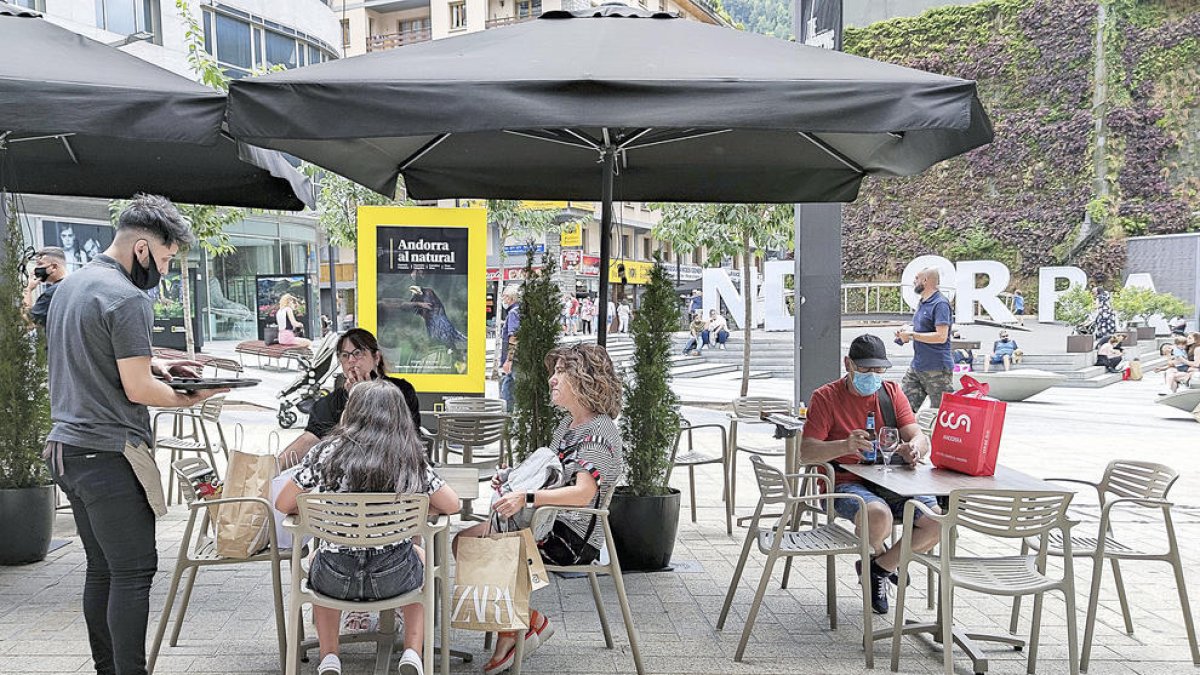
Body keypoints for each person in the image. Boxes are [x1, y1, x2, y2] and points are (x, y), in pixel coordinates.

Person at [44, 194, 227, 675]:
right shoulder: (126, 297)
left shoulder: (73, 286)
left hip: (66, 448)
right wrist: (191, 395)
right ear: (142, 248)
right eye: (166, 260)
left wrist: (163, 365)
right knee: (133, 572)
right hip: (108, 454)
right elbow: (137, 387)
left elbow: (99, 358)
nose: (164, 272)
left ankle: (108, 669)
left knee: (102, 568)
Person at [456, 343, 625, 675]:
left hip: (570, 540)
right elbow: (550, 475)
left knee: (480, 545)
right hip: (547, 525)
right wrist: (513, 480)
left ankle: (514, 631)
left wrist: (526, 498)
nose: (552, 379)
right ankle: (524, 622)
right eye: (555, 371)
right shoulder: (569, 425)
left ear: (585, 379)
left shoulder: (599, 431)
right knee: (466, 542)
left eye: (561, 371)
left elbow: (581, 493)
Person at [275, 380, 460, 675]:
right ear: (398, 415)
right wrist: (417, 505)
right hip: (394, 576)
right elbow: (452, 504)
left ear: (351, 412)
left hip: (335, 575)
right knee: (422, 559)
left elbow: (284, 503)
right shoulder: (408, 457)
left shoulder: (325, 453)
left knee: (317, 559)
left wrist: (320, 503)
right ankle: (413, 651)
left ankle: (330, 657)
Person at [799, 335, 938, 615]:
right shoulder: (825, 397)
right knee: (878, 516)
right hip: (844, 482)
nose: (872, 376)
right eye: (865, 370)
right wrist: (844, 446)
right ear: (848, 364)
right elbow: (807, 453)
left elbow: (919, 437)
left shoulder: (891, 393)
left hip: (892, 479)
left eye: (878, 370)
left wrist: (915, 449)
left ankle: (880, 567)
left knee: (938, 522)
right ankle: (880, 556)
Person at [278, 328, 421, 469]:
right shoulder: (329, 404)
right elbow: (309, 440)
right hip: (345, 479)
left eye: (358, 353)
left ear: (376, 357)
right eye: (345, 355)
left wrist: (362, 397)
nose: (351, 360)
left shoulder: (401, 391)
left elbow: (403, 439)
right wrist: (274, 467)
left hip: (395, 473)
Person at [895, 268, 954, 411]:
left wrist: (912, 335)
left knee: (940, 414)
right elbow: (922, 328)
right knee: (902, 409)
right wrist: (906, 332)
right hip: (917, 366)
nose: (914, 281)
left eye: (916, 278)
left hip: (937, 369)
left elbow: (941, 336)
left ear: (925, 280)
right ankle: (903, 432)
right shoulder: (922, 302)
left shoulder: (940, 304)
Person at [23, 246, 69, 328]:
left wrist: (28, 289)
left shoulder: (53, 293)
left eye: (40, 264)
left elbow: (28, 322)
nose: (35, 270)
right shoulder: (74, 286)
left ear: (54, 267)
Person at [498, 285, 521, 411]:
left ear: (510, 298)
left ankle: (509, 419)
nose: (503, 300)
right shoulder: (519, 311)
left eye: (504, 297)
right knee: (507, 386)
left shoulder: (513, 313)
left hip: (515, 360)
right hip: (519, 359)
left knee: (508, 391)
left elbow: (513, 337)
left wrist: (509, 360)